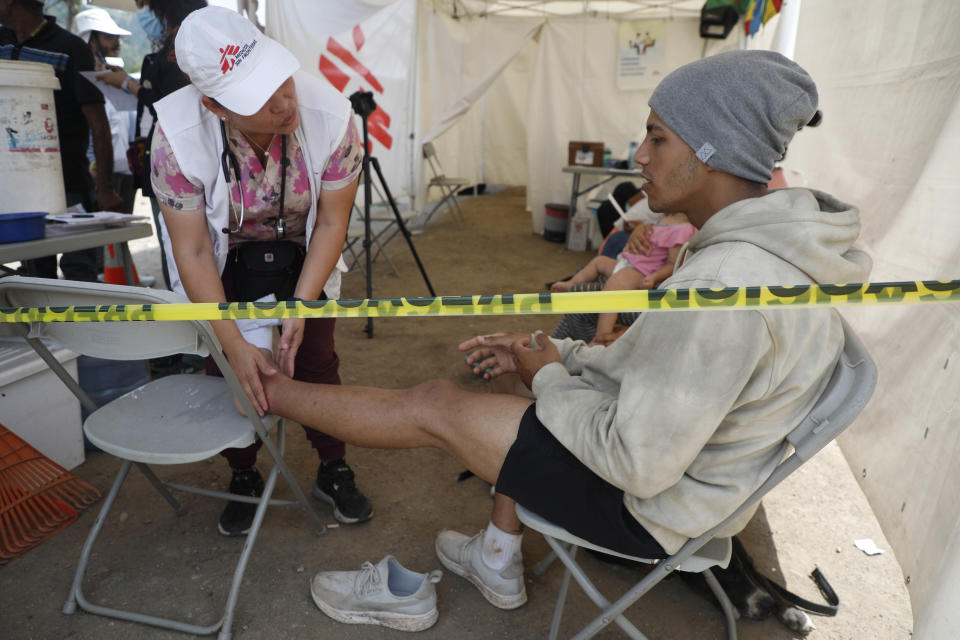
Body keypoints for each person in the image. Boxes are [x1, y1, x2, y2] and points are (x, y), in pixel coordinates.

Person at [249, 49, 870, 625]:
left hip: (649, 508)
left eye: (658, 137)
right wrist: (560, 354)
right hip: (683, 475)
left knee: (438, 405)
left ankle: (264, 391)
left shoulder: (725, 289)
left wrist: (546, 375)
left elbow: (637, 461)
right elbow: (644, 370)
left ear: (714, 151)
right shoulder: (768, 253)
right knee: (515, 404)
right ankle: (496, 555)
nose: (641, 156)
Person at [149, 7, 371, 536]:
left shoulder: (334, 117)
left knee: (315, 357)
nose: (283, 103)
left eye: (280, 79)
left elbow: (331, 223)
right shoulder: (175, 140)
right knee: (230, 369)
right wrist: (230, 339)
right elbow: (196, 252)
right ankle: (243, 473)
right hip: (223, 260)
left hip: (304, 251)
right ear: (213, 106)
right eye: (257, 99)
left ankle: (331, 464)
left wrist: (300, 303)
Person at [0, 0, 123, 281]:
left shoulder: (70, 48)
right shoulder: (2, 41)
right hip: (13, 189)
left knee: (79, 271)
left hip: (68, 185)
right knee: (32, 273)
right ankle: (41, 327)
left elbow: (98, 122)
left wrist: (104, 186)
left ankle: (82, 326)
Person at [94, 0, 208, 291]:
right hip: (184, 164)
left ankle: (189, 316)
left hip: (178, 166)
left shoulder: (181, 51)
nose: (142, 12)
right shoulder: (191, 45)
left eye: (146, 4)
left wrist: (128, 85)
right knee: (185, 248)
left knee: (179, 248)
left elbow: (170, 105)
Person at [551, 212, 697, 343]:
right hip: (627, 262)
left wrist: (653, 277)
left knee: (611, 290)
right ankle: (570, 284)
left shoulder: (683, 229)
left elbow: (673, 264)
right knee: (598, 262)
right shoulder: (664, 218)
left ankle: (602, 336)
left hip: (641, 272)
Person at [72, 7, 137, 214]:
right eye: (109, 37)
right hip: (97, 170)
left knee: (122, 231)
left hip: (125, 167)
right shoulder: (79, 79)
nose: (115, 44)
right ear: (90, 40)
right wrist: (94, 164)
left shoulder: (116, 75)